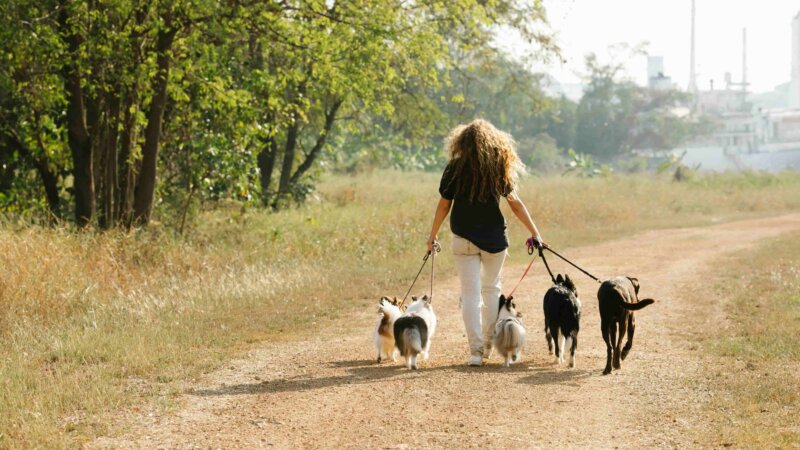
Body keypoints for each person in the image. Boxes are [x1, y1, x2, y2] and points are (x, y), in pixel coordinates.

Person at [426, 119, 547, 367]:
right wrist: (536, 233)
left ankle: (476, 352)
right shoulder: (497, 166)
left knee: (470, 294)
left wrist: (432, 236)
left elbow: (444, 205)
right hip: (494, 240)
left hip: (463, 238)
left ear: (461, 142)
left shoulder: (454, 168)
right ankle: (489, 347)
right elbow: (515, 204)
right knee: (491, 290)